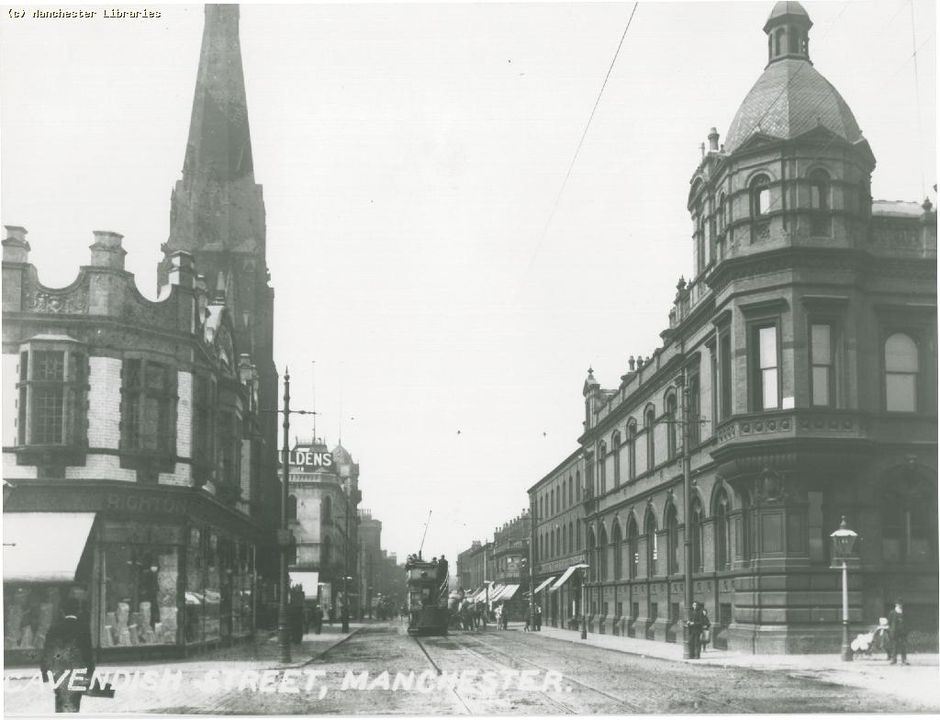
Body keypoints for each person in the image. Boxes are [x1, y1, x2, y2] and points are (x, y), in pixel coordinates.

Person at [41, 598, 95, 713]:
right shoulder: (83, 628)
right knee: (75, 700)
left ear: (62, 611)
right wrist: (90, 672)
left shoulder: (54, 628)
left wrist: (45, 673)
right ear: (78, 611)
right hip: (78, 671)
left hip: (58, 671)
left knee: (60, 699)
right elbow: (88, 653)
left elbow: (48, 652)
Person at [888, 599, 909, 665]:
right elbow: (889, 622)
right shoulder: (892, 612)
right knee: (894, 646)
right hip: (895, 632)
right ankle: (894, 660)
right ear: (896, 604)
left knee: (903, 646)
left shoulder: (904, 612)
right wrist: (891, 629)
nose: (900, 605)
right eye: (898, 604)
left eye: (901, 604)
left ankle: (904, 660)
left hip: (902, 631)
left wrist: (906, 630)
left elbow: (907, 622)